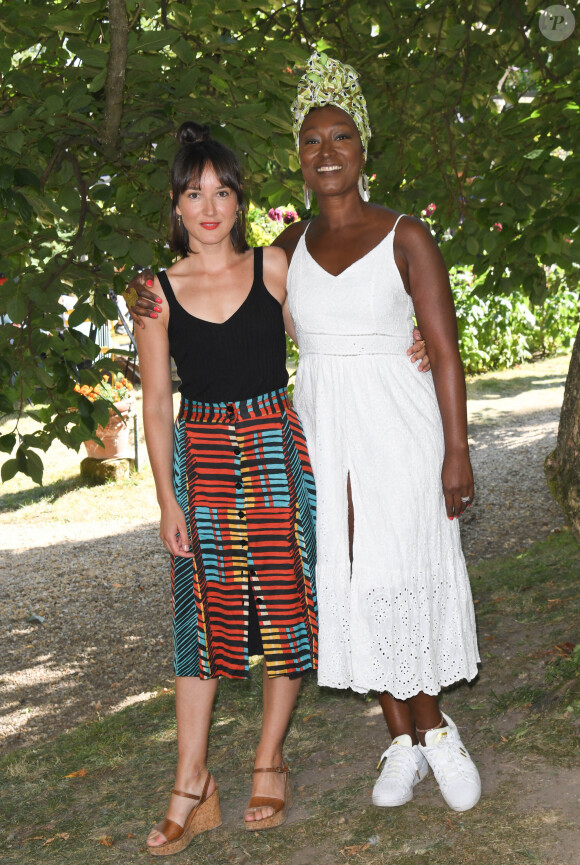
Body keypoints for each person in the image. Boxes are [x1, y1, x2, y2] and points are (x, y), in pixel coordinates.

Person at [277, 52, 481, 812]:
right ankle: (401, 739)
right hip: (326, 431)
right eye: (311, 140)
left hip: (401, 426)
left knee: (403, 566)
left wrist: (457, 449)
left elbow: (446, 348)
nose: (326, 151)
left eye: (341, 137)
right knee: (355, 572)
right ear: (296, 158)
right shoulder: (285, 250)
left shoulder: (406, 236)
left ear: (363, 150)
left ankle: (435, 731)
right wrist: (146, 293)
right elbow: (211, 279)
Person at [135, 121, 319, 855]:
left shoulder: (275, 268)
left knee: (283, 606)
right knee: (200, 625)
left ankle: (269, 758)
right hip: (202, 457)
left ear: (240, 200)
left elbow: (329, 342)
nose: (208, 206)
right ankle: (191, 781)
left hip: (276, 446)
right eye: (192, 192)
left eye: (222, 191)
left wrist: (417, 339)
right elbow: (155, 402)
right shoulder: (153, 291)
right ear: (175, 206)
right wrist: (166, 500)